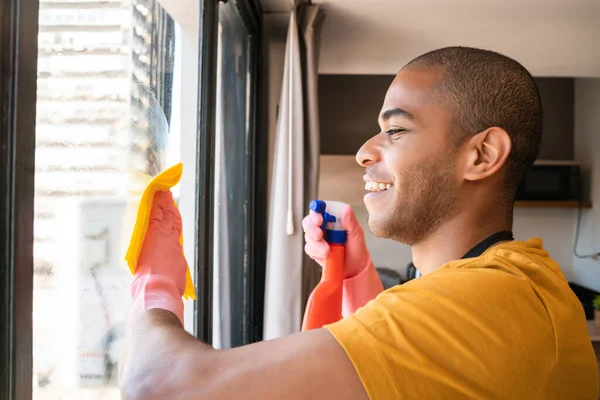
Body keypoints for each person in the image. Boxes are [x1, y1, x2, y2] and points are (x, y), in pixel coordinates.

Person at [119, 46, 599, 399]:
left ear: (482, 154)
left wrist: (156, 281)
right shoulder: (509, 287)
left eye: (396, 130)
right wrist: (356, 275)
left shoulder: (491, 300)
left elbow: (161, 387)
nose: (365, 151)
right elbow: (396, 371)